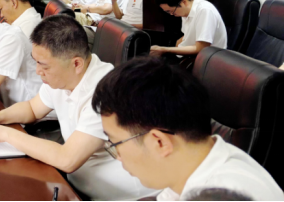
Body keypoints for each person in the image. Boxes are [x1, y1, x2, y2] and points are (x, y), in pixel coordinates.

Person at [0, 15, 157, 201]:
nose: (38, 71)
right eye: (36, 61)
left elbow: (67, 159)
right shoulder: (62, 76)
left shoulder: (106, 91)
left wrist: (4, 134)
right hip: (75, 187)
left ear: (76, 63)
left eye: (43, 65)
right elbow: (32, 109)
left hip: (121, 196)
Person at [91, 57, 283, 201]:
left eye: (115, 143)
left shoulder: (227, 193)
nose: (118, 156)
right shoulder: (188, 168)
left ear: (159, 142)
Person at [150, 0, 227, 61]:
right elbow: (188, 35)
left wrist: (165, 50)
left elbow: (201, 48)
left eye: (172, 11)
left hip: (208, 60)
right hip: (190, 56)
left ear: (184, 2)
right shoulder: (186, 10)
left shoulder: (205, 11)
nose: (172, 14)